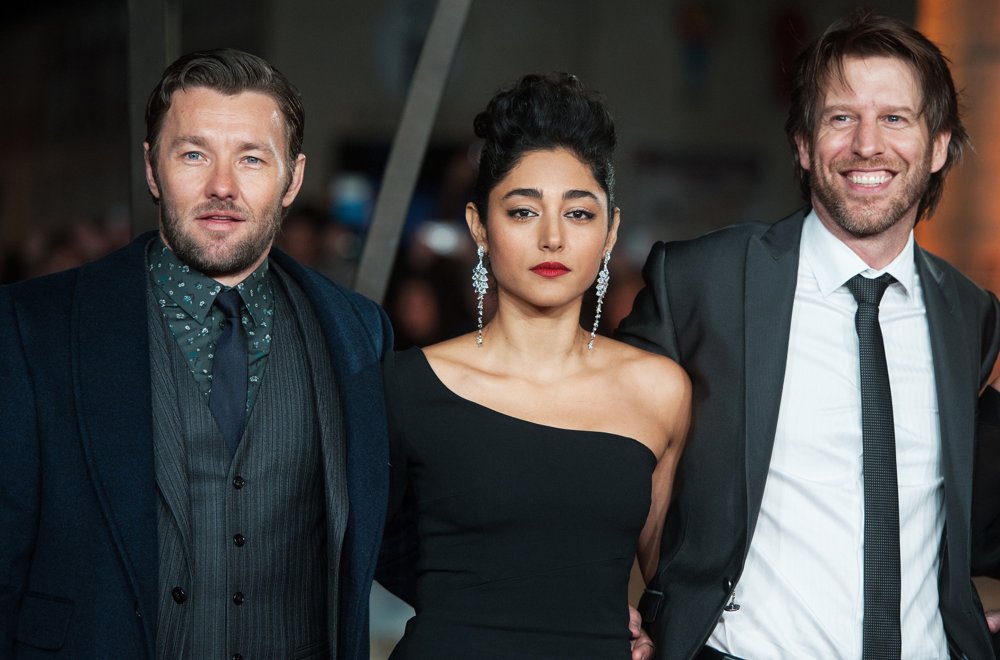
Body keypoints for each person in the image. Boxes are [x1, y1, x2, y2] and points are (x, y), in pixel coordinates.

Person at [617, 10, 1000, 659]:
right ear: (802, 141)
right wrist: (586, 600)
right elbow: (601, 451)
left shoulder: (971, 315)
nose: (868, 144)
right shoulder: (704, 282)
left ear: (938, 145)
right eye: (841, 117)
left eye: (896, 118)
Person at [0, 49, 392, 659]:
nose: (222, 187)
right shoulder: (33, 326)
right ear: (152, 169)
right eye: (193, 154)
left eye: (252, 159)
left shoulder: (357, 330)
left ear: (292, 179)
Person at [378, 73, 690, 658]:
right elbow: (362, 549)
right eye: (522, 212)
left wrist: (654, 632)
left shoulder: (658, 390)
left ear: (610, 231)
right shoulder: (407, 384)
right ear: (479, 226)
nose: (552, 238)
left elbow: (672, 577)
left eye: (578, 214)